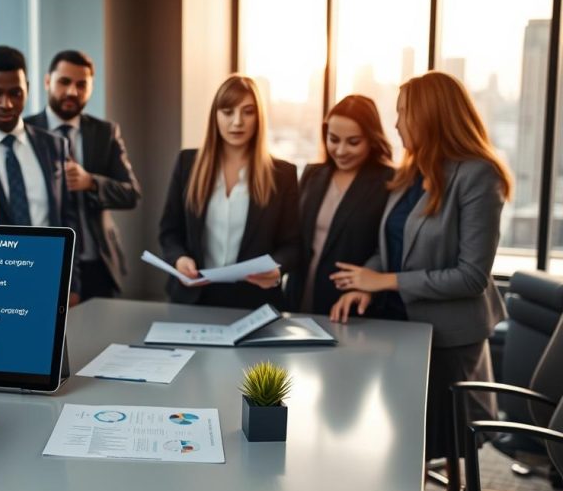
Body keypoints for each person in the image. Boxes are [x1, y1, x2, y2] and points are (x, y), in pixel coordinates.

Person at [329, 71, 511, 461]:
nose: (396, 124)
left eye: (403, 113)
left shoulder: (478, 175)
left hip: (447, 340)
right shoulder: (411, 171)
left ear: (431, 115)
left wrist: (385, 280)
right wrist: (366, 283)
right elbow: (392, 248)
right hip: (399, 328)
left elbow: (472, 276)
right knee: (401, 441)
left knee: (447, 446)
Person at [158, 74, 299, 309]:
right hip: (193, 298)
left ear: (259, 117)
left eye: (247, 112)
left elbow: (293, 245)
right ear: (215, 115)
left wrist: (277, 267)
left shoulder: (282, 174)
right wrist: (179, 259)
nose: (237, 122)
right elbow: (169, 231)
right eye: (227, 111)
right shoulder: (187, 163)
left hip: (255, 302)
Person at [0, 45, 81, 305]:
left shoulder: (54, 145)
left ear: (27, 88)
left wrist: (72, 283)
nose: (6, 104)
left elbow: (68, 218)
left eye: (15, 93)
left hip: (50, 282)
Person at [25, 50, 141, 300]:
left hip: (98, 262)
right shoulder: (25, 132)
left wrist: (92, 183)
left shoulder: (105, 132)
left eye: (81, 84)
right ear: (47, 81)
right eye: (64, 82)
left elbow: (131, 194)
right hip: (45, 263)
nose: (72, 92)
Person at [285, 95, 395, 316]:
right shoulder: (312, 174)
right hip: (298, 297)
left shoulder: (389, 181)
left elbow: (388, 248)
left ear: (372, 139)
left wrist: (367, 286)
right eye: (333, 139)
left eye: (353, 142)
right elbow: (292, 235)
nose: (341, 150)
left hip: (351, 304)